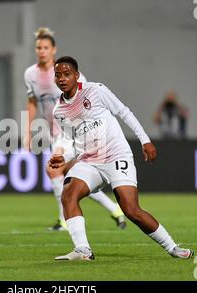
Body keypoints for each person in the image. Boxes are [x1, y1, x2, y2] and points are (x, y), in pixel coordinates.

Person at [49, 56, 194, 260]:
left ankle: (173, 248)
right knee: (68, 194)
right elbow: (73, 141)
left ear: (76, 75)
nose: (62, 79)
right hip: (89, 161)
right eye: (58, 75)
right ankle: (83, 250)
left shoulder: (95, 90)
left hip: (116, 155)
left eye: (66, 74)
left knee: (131, 209)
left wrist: (145, 140)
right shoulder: (59, 111)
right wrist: (63, 157)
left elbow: (124, 112)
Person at [23, 28, 127, 231]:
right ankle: (115, 209)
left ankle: (63, 220)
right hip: (54, 134)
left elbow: (89, 104)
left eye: (45, 47)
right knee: (75, 178)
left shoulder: (71, 75)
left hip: (75, 132)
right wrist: (27, 134)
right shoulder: (30, 75)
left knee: (53, 169)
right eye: (38, 47)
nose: (41, 51)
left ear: (54, 50)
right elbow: (31, 104)